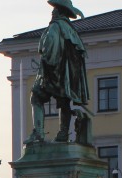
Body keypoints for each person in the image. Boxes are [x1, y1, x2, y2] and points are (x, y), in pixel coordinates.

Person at [29, 0, 88, 144]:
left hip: (54, 72)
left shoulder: (55, 27)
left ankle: (39, 133)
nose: (52, 12)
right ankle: (63, 133)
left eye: (54, 9)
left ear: (60, 12)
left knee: (36, 97)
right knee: (64, 102)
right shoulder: (71, 30)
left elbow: (50, 48)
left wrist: (47, 64)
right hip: (68, 76)